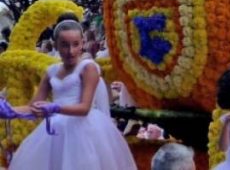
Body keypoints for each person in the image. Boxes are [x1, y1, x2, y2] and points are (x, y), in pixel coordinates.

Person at [8, 19, 135, 169]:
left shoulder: (88, 68)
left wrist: (55, 108)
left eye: (75, 44)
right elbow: (33, 107)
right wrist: (10, 111)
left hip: (84, 131)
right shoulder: (51, 71)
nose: (71, 51)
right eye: (65, 45)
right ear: (56, 45)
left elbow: (85, 108)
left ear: (82, 43)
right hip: (55, 133)